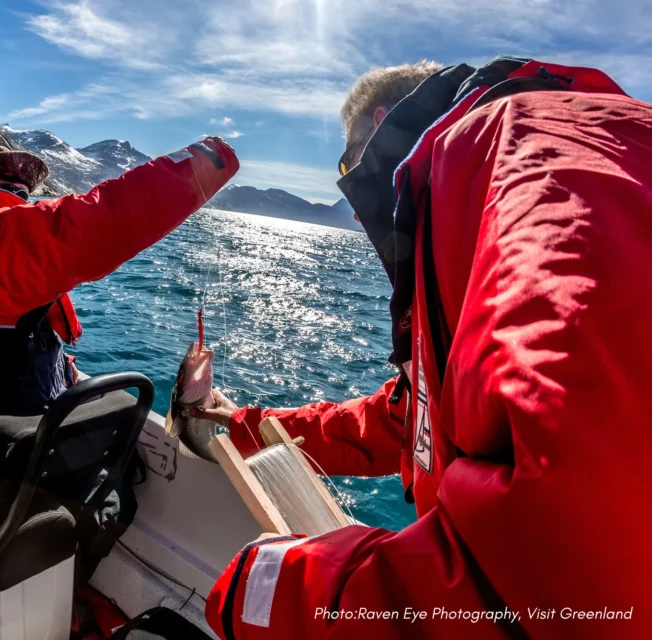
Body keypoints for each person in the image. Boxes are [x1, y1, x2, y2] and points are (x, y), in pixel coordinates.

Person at [201, 57, 652, 638]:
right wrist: (245, 425)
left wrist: (270, 590)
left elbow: (572, 549)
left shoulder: (529, 151)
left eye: (346, 161)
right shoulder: (521, 159)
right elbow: (410, 420)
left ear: (379, 125)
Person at [0, 139, 238, 487]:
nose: (24, 203)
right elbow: (99, 220)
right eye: (13, 190)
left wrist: (64, 369)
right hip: (10, 459)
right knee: (126, 414)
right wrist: (206, 162)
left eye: (27, 195)